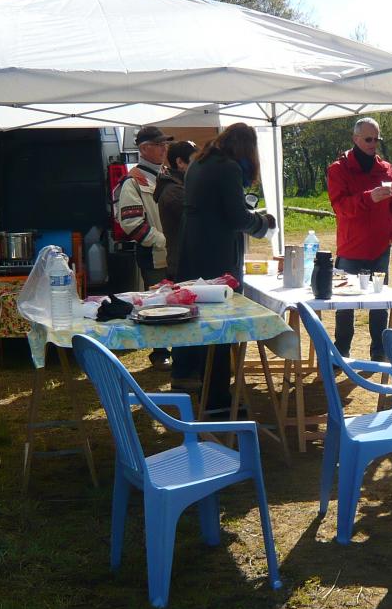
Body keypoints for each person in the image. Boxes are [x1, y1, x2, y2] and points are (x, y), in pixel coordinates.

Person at [173, 122, 276, 412]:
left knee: (202, 325)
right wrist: (263, 224)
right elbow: (236, 218)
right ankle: (217, 400)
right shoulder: (229, 167)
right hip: (216, 256)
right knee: (220, 330)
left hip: (194, 251)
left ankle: (203, 389)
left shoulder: (200, 162)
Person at [326, 117, 392, 361]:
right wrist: (368, 198)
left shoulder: (387, 168)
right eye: (369, 139)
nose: (373, 144)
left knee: (379, 303)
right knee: (344, 305)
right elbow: (340, 207)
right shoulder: (338, 169)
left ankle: (379, 353)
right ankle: (341, 352)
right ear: (355, 139)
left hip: (381, 248)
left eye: (376, 139)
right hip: (350, 249)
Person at [117, 125, 172, 368]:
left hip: (174, 253)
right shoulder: (133, 181)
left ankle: (179, 351)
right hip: (154, 254)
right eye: (159, 144)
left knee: (177, 302)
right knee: (158, 304)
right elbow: (131, 223)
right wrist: (161, 241)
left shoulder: (167, 173)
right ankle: (160, 354)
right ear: (144, 149)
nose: (164, 148)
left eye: (165, 144)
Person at [154, 139, 197, 281]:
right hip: (184, 266)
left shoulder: (180, 186)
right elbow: (198, 218)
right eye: (194, 161)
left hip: (186, 263)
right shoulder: (174, 191)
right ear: (180, 162)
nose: (198, 167)